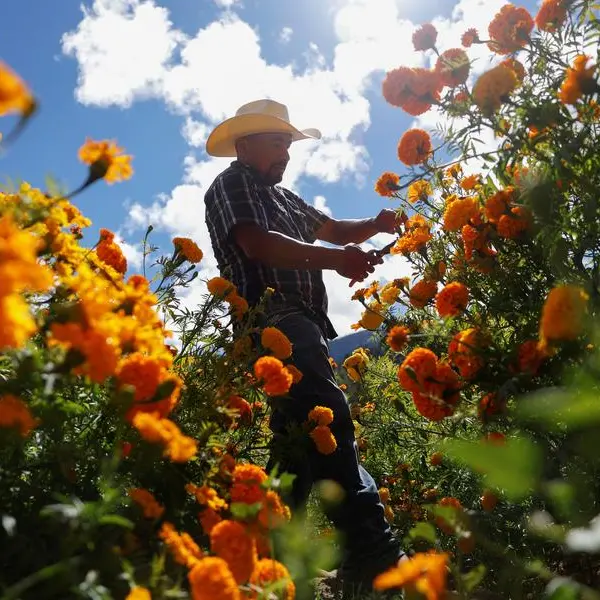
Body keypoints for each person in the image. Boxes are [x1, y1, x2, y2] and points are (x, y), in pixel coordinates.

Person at [204, 99, 404, 594]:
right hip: (272, 320)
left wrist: (374, 226)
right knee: (327, 417)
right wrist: (338, 261)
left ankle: (270, 561)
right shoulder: (233, 184)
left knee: (296, 444)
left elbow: (334, 230)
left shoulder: (286, 197)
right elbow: (258, 244)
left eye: (289, 145)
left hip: (301, 322)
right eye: (278, 143)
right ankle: (372, 553)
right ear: (245, 145)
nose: (286, 153)